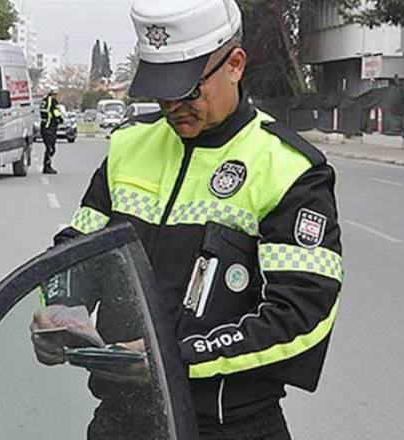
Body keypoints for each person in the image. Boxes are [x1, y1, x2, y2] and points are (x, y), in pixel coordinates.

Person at [32, 0, 343, 438]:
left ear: (234, 64)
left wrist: (172, 358)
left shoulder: (288, 168)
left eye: (188, 89)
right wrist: (60, 306)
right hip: (122, 419)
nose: (173, 104)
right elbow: (76, 250)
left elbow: (301, 312)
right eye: (162, 89)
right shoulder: (128, 147)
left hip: (229, 425)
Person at [40, 88, 64, 174]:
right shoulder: (52, 101)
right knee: (51, 149)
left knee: (49, 148)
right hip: (49, 127)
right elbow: (55, 112)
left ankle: (47, 166)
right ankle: (47, 167)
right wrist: (60, 119)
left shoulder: (44, 100)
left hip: (44, 127)